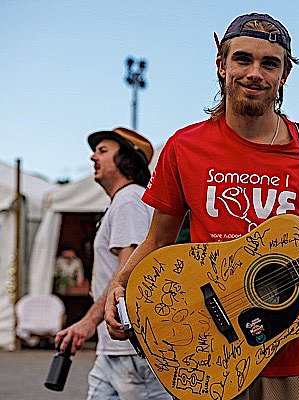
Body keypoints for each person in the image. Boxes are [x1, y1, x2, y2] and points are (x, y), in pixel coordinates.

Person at [104, 13, 299, 400]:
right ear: (221, 65)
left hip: (293, 358)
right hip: (210, 359)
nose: (255, 73)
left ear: (284, 75)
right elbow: (157, 240)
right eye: (242, 59)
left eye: (269, 63)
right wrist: (118, 286)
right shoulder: (184, 146)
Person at [54, 127, 170, 400]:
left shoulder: (129, 200)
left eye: (102, 151)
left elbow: (127, 271)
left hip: (130, 350)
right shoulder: (123, 201)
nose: (93, 157)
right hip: (114, 350)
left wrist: (87, 322)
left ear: (126, 160)